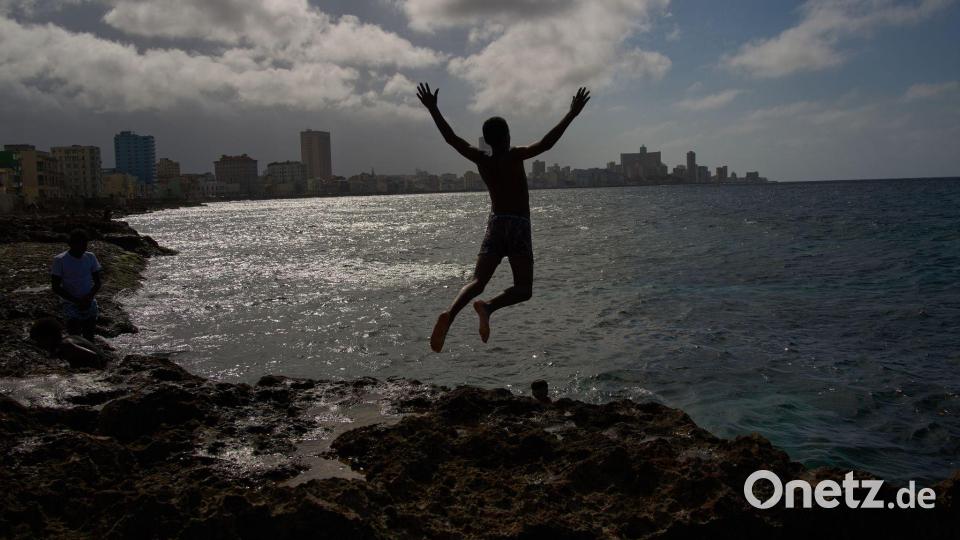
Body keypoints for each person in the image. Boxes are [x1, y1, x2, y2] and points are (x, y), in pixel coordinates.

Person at [417, 83, 590, 352]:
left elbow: (451, 139)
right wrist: (572, 114)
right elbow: (547, 143)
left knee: (477, 281)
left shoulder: (481, 159)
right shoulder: (515, 155)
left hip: (496, 224)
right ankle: (488, 307)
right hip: (518, 225)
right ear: (507, 136)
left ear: (487, 140)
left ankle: (450, 314)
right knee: (523, 288)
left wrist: (433, 109)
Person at [51, 228, 102, 340]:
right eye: (79, 244)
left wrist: (89, 297)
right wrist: (76, 301)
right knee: (75, 337)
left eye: (84, 245)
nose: (82, 248)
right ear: (70, 244)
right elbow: (55, 287)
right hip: (70, 303)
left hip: (89, 301)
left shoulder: (90, 257)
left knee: (89, 337)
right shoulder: (60, 260)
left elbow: (98, 282)